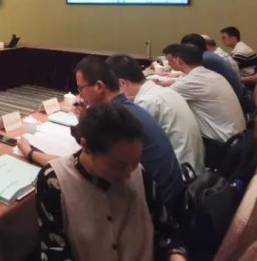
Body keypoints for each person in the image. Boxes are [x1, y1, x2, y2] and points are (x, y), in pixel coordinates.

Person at [20, 56, 183, 208]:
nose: (79, 94)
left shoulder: (113, 119)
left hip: (153, 206)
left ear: (99, 86)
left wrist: (29, 152)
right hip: (170, 195)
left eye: (81, 88)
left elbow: (73, 166)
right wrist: (85, 117)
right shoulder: (126, 109)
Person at [34, 102, 187, 261]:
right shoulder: (54, 182)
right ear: (86, 146)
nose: (129, 174)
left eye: (135, 161)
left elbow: (168, 234)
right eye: (118, 165)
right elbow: (54, 252)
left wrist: (176, 256)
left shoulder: (137, 171)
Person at [107, 54, 205, 175]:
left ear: (122, 83)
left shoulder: (145, 102)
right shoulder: (160, 92)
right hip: (194, 166)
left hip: (182, 173)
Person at [164, 43, 246, 167]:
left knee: (168, 128)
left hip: (221, 146)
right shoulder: (211, 75)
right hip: (238, 139)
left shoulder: (192, 81)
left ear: (178, 60)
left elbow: (160, 98)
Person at [181, 34, 243, 99]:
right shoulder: (209, 55)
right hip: (234, 95)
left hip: (234, 98)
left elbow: (194, 81)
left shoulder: (205, 58)